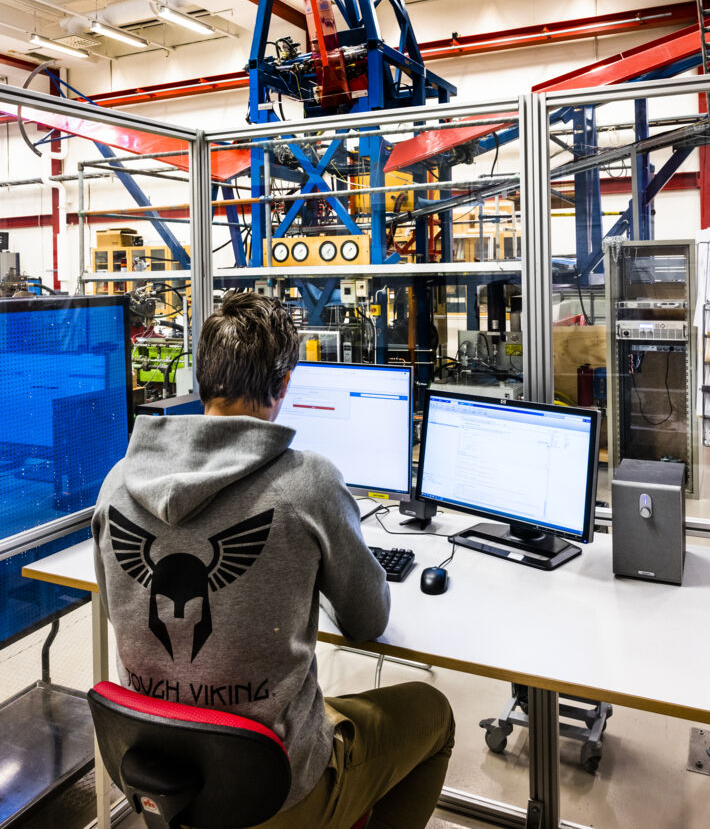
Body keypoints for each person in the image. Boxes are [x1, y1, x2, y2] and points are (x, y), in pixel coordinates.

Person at [93, 291, 455, 829]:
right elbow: (367, 621)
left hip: (166, 776)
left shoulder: (115, 486)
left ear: (201, 379)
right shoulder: (307, 483)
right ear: (284, 385)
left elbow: (116, 609)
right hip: (276, 791)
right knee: (434, 714)